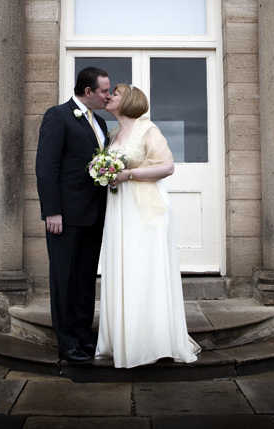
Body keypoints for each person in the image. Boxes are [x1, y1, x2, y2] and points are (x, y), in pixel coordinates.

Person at [95, 84, 201, 368]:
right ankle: (125, 339)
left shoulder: (147, 129)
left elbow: (167, 166)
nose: (109, 96)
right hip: (120, 208)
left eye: (115, 93)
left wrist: (128, 174)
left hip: (146, 210)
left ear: (128, 100)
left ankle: (154, 341)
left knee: (145, 268)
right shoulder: (114, 133)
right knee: (125, 268)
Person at [35, 66, 111, 365]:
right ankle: (66, 342)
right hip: (65, 216)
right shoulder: (58, 116)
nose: (108, 96)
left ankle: (82, 334)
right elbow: (46, 167)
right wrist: (52, 211)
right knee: (64, 279)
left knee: (85, 278)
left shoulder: (100, 122)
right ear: (88, 91)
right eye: (104, 91)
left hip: (95, 214)